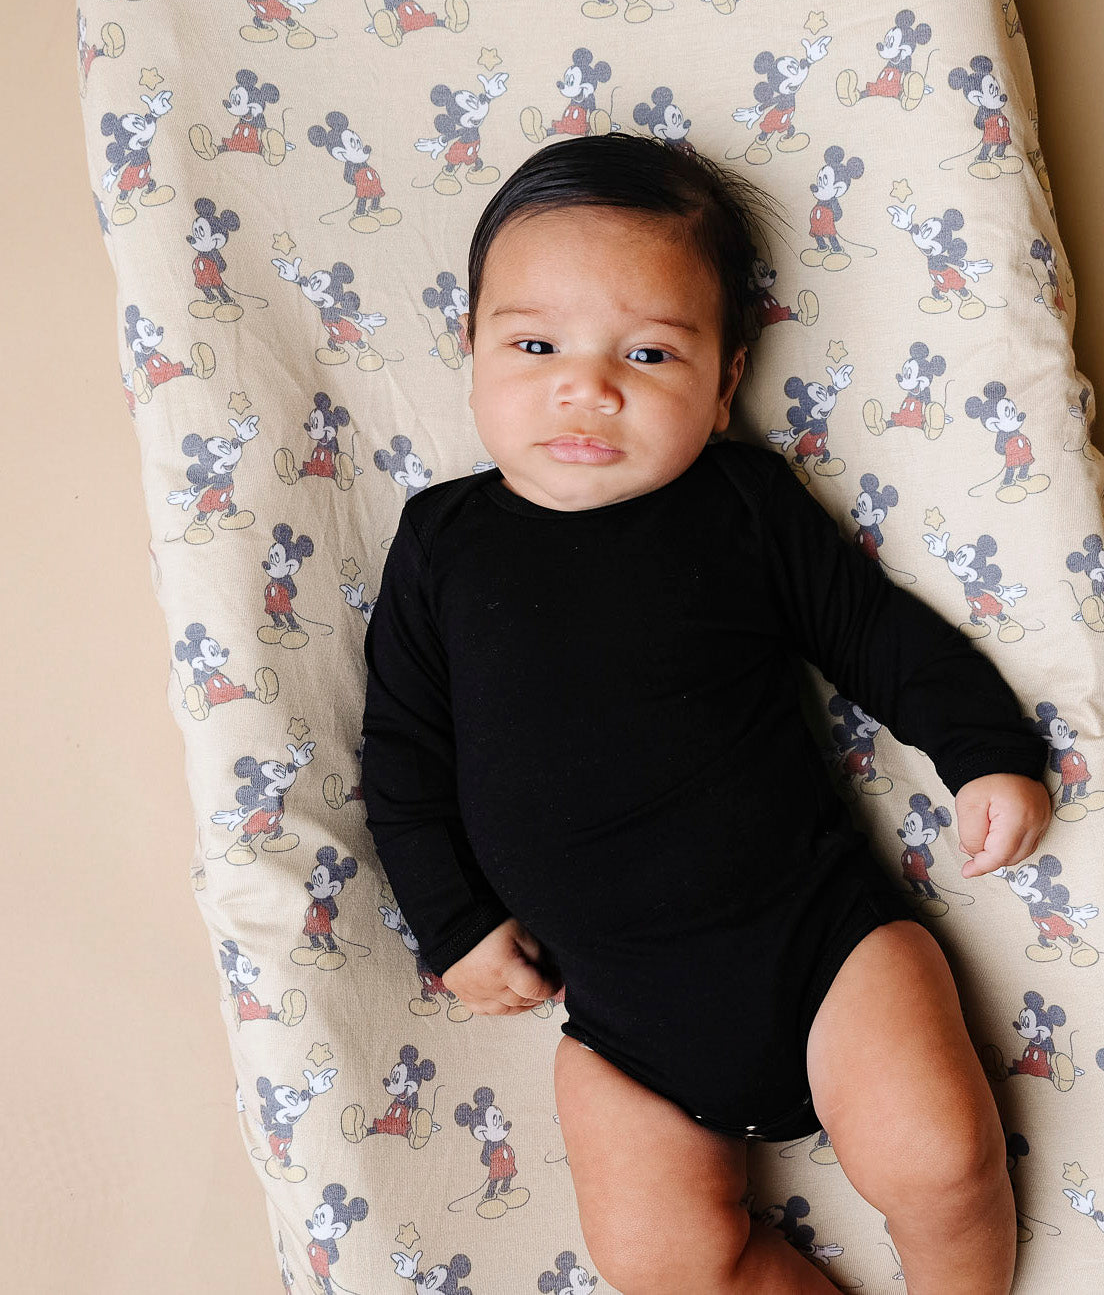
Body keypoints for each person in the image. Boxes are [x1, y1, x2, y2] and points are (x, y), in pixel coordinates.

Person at [361, 132, 1052, 1295]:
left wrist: (985, 752)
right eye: (534, 345)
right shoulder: (443, 543)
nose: (588, 386)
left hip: (821, 945)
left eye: (648, 352)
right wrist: (454, 926)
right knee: (660, 1261)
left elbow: (874, 632)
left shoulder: (740, 505)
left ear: (725, 383)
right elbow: (402, 758)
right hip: (621, 1020)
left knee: (937, 1162)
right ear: (469, 350)